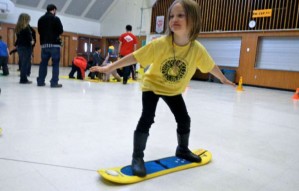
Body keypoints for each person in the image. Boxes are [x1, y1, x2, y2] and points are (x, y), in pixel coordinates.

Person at [91, 0, 236, 177]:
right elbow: (135, 57)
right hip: (152, 85)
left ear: (193, 19)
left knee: (184, 119)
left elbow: (210, 65)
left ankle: (182, 149)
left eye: (180, 15)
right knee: (147, 118)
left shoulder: (197, 49)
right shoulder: (161, 44)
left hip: (173, 90)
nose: (174, 19)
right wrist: (108, 68)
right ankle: (137, 157)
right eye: (171, 16)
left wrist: (223, 79)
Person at [37, 4, 63, 88]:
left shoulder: (40, 19)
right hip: (54, 45)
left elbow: (39, 31)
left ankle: (40, 81)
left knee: (43, 63)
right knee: (55, 64)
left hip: (44, 45)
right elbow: (60, 30)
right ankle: (54, 82)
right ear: (54, 10)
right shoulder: (56, 19)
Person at [15, 13, 34, 84]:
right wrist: (32, 41)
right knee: (25, 64)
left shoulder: (18, 28)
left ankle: (23, 78)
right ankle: (23, 79)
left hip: (20, 47)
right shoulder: (26, 28)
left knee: (23, 63)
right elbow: (30, 39)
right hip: (26, 47)